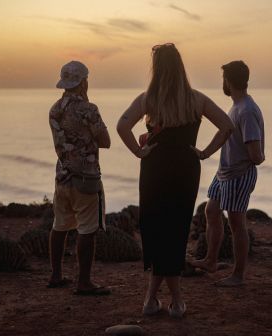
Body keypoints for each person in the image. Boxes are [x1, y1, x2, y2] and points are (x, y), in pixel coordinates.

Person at [117, 43, 233, 318]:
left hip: (154, 168)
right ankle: (175, 301)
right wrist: (204, 152)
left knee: (156, 229)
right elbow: (227, 126)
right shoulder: (196, 99)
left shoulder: (148, 100)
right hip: (185, 169)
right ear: (180, 67)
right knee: (175, 230)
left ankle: (152, 300)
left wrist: (138, 152)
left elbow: (122, 125)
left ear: (157, 70)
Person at [191, 61, 265, 287]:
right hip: (223, 172)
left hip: (238, 174)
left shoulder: (246, 110)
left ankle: (238, 275)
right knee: (211, 210)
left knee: (236, 223)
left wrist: (256, 158)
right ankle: (211, 260)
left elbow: (255, 154)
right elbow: (224, 136)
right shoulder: (236, 107)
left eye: (223, 79)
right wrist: (204, 154)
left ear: (229, 81)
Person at [47, 60, 112, 296]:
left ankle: (56, 275)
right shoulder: (88, 110)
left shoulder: (55, 109)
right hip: (86, 178)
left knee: (59, 225)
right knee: (87, 230)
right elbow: (105, 141)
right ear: (83, 82)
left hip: (62, 176)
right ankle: (84, 282)